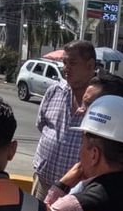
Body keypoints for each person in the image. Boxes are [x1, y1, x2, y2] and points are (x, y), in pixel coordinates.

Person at [55, 74, 123, 195]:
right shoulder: (122, 144)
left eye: (90, 104)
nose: (80, 110)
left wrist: (61, 187)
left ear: (113, 106)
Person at [31, 40, 97, 200]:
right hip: (43, 183)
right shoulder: (55, 91)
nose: (66, 69)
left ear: (90, 65)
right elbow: (42, 125)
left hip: (78, 194)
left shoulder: (102, 100)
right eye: (64, 63)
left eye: (72, 63)